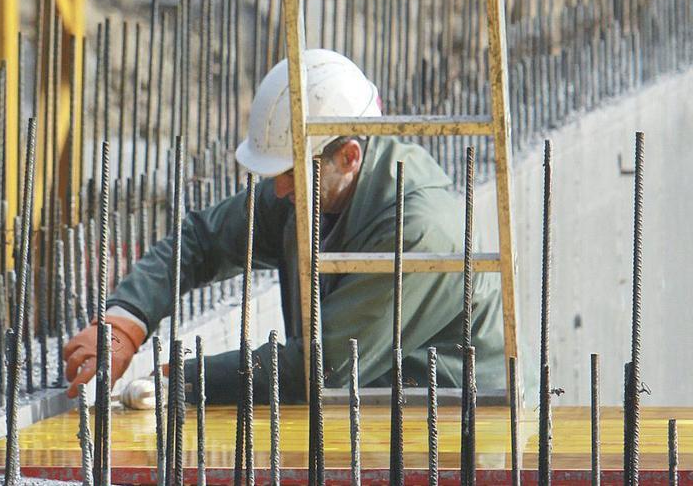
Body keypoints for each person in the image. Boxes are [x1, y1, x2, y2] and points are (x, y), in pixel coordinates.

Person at [61, 48, 506, 405]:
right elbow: (201, 240)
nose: (278, 191)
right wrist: (124, 321)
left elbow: (320, 368)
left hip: (453, 428)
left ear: (349, 156)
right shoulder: (309, 189)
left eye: (291, 172)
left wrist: (177, 379)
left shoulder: (418, 232)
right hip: (368, 412)